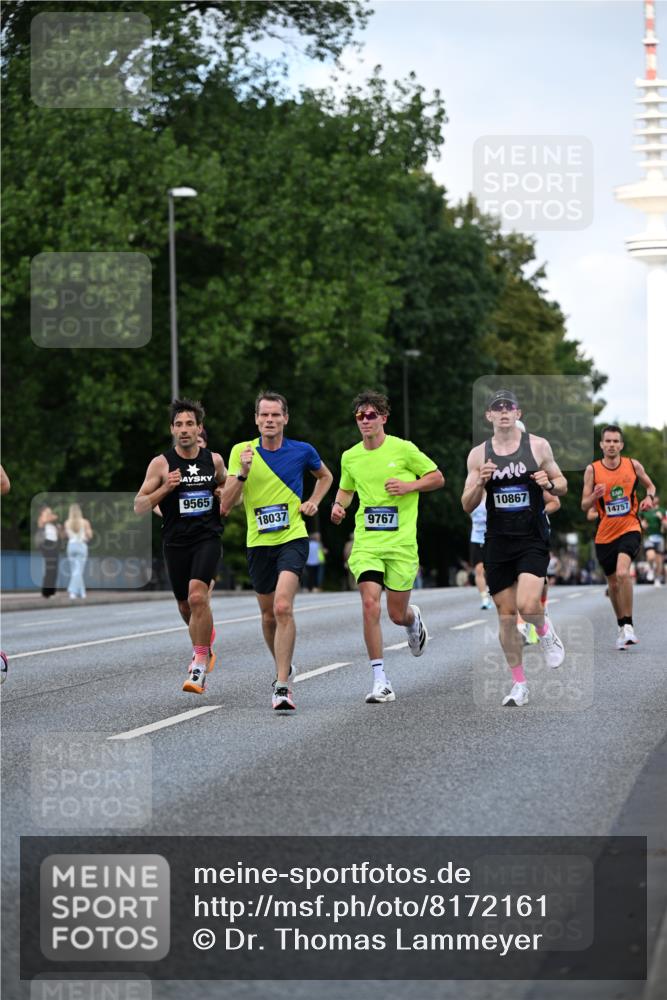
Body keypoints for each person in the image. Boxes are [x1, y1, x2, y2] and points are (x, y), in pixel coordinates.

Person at [220, 391, 333, 711]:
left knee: (283, 607)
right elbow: (226, 504)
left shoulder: (302, 451)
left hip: (293, 537)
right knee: (268, 615)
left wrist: (313, 501)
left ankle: (282, 686)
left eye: (275, 415)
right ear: (256, 419)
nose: (269, 421)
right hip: (258, 543)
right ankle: (283, 665)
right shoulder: (241, 452)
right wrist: (241, 472)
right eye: (264, 415)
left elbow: (325, 476)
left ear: (285, 418)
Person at [330, 390, 444, 704]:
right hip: (367, 542)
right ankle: (380, 679)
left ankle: (412, 619)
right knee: (370, 604)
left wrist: (410, 486)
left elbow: (437, 477)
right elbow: (345, 490)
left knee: (395, 613)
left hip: (401, 544)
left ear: (383, 417)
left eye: (371, 415)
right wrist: (339, 507)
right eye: (360, 416)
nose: (365, 421)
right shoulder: (350, 456)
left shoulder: (404, 450)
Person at [462, 389, 567, 708]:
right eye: (498, 408)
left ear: (518, 414)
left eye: (509, 407)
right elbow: (466, 505)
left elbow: (562, 484)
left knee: (527, 604)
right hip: (498, 541)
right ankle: (519, 684)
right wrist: (480, 482)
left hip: (532, 538)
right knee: (506, 616)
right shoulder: (478, 455)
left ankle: (544, 629)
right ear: (489, 416)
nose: (504, 411)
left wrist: (547, 483)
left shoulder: (537, 446)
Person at [134, 399, 226, 693]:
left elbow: (227, 489)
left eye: (190, 424)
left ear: (199, 428)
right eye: (178, 424)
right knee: (186, 606)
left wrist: (223, 492)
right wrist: (166, 488)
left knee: (198, 597)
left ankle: (199, 664)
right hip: (175, 542)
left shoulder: (214, 461)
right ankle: (204, 642)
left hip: (207, 538)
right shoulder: (161, 464)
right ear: (172, 429)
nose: (184, 430)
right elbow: (138, 506)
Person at [581, 424, 658, 649]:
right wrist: (593, 496)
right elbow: (584, 504)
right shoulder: (592, 470)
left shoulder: (632, 465)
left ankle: (629, 626)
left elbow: (650, 486)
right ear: (601, 445)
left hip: (630, 527)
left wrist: (649, 498)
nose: (612, 445)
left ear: (621, 445)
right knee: (613, 584)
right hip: (605, 534)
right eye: (608, 441)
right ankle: (621, 625)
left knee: (623, 573)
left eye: (616, 441)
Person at [64, 503, 93, 600]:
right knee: (78, 571)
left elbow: (67, 536)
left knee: (75, 570)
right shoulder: (85, 522)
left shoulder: (67, 523)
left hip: (71, 546)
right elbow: (90, 535)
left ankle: (82, 592)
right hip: (81, 546)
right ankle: (72, 591)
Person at [36, 504, 62, 598]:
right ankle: (46, 592)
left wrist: (59, 529)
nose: (50, 513)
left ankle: (51, 591)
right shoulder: (42, 519)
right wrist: (53, 517)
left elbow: (61, 536)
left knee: (54, 569)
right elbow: (44, 521)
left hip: (54, 545)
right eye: (48, 512)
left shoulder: (53, 524)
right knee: (49, 568)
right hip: (46, 544)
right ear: (42, 512)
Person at [469, 498, 491, 609]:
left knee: (492, 570)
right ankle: (485, 598)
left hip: (491, 538)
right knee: (478, 570)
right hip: (476, 538)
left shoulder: (491, 492)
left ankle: (494, 591)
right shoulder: (472, 491)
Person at [641, 493, 666, 586]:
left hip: (659, 537)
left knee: (659, 560)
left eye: (655, 497)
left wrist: (662, 518)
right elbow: (639, 522)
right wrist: (642, 525)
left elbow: (666, 525)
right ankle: (651, 569)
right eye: (652, 497)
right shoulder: (645, 511)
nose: (653, 499)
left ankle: (657, 579)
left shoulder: (663, 510)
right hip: (649, 537)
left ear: (658, 499)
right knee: (651, 556)